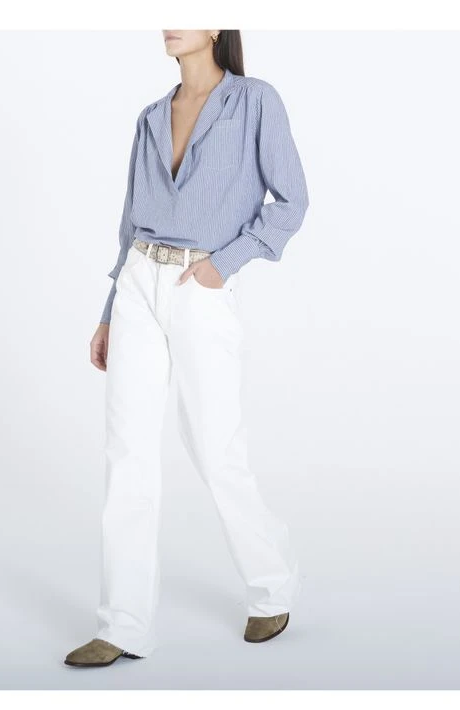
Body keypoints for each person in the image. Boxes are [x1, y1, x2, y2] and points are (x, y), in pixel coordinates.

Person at [66, 29, 310, 668]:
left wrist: (221, 266)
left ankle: (272, 587)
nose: (168, 21)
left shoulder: (255, 101)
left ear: (218, 24)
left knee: (215, 447)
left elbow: (291, 202)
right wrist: (109, 313)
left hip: (198, 284)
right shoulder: (150, 116)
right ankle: (123, 624)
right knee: (127, 452)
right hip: (137, 285)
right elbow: (130, 221)